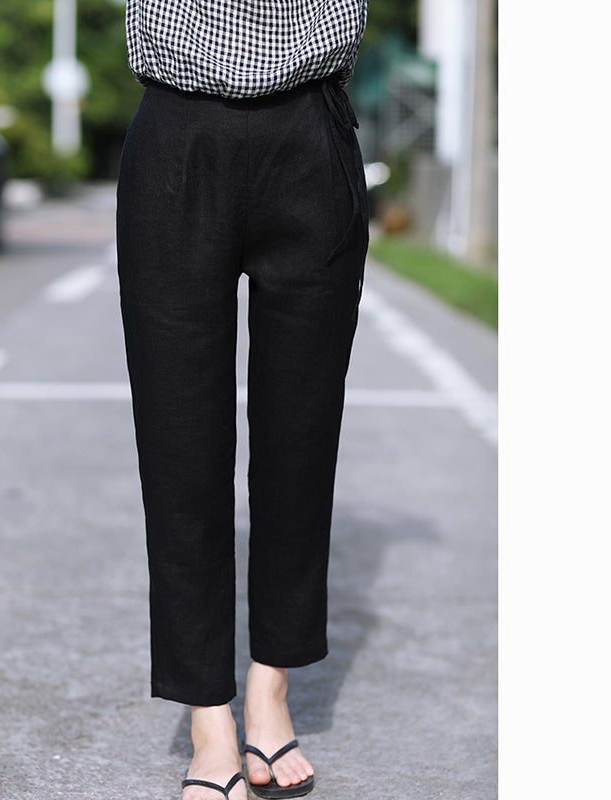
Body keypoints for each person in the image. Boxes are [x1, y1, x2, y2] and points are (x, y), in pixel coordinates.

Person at [116, 2, 369, 798]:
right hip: (177, 128)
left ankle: (270, 688)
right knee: (179, 444)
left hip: (310, 127)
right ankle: (208, 719)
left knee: (300, 438)